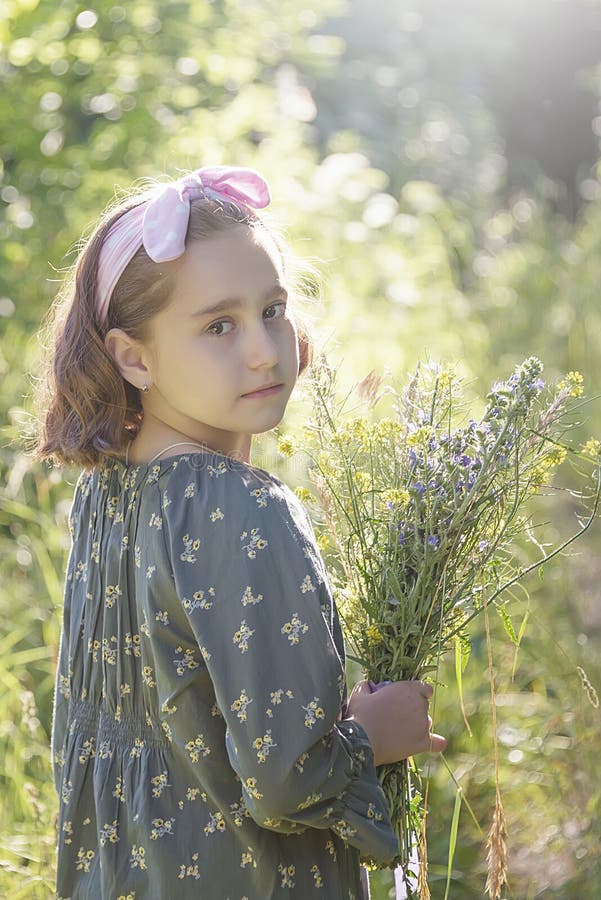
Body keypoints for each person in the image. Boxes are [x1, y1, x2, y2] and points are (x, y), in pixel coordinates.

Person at [33, 165, 446, 899]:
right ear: (134, 356)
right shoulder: (242, 506)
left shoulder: (107, 493)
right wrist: (371, 737)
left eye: (273, 310)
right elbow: (287, 779)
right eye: (218, 325)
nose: (263, 350)